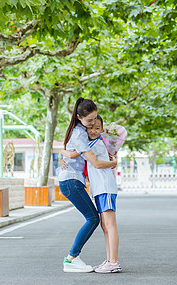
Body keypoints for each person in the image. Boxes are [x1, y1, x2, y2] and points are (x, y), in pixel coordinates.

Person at [58, 98, 117, 273]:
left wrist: (64, 154)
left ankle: (74, 258)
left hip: (74, 181)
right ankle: (71, 258)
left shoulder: (82, 131)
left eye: (95, 119)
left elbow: (73, 153)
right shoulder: (79, 135)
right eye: (89, 121)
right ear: (79, 117)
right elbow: (96, 163)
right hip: (71, 182)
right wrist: (114, 163)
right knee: (93, 219)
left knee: (94, 219)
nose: (92, 124)